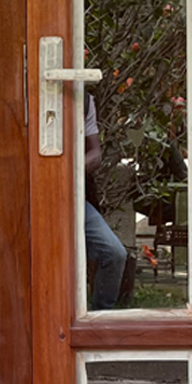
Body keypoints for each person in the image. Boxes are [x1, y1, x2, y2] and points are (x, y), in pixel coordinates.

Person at [83, 92, 127, 309]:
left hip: (72, 198)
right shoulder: (17, 89)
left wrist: (65, 172)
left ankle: (99, 319)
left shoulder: (82, 99)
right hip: (25, 198)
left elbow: (95, 153)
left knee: (114, 253)